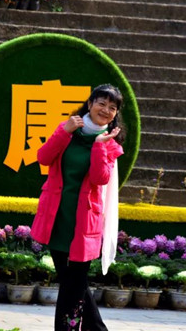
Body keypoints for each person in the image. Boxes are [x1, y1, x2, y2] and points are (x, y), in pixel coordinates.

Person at [31, 84, 125, 331]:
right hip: (57, 218)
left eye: (112, 107)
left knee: (73, 285)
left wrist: (99, 146)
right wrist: (64, 131)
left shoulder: (111, 144)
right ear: (90, 103)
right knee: (72, 282)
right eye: (101, 103)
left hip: (84, 223)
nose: (105, 110)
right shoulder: (69, 129)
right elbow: (43, 157)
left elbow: (99, 178)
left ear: (116, 114)